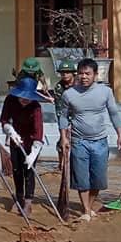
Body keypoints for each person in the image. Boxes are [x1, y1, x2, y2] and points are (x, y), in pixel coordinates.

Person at [58, 58, 121, 221]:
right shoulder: (69, 94)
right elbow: (63, 117)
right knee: (82, 179)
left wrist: (120, 135)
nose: (83, 77)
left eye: (87, 73)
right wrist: (63, 139)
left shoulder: (105, 92)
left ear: (95, 75)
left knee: (98, 179)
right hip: (79, 141)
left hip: (100, 141)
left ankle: (89, 206)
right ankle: (87, 211)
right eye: (81, 73)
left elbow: (114, 113)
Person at [0, 77, 46, 216]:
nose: (24, 100)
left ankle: (28, 202)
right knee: (16, 169)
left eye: (28, 98)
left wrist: (33, 154)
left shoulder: (36, 107)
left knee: (29, 171)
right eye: (22, 97)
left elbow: (38, 133)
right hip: (16, 137)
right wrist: (10, 131)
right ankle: (19, 197)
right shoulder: (10, 100)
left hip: (31, 141)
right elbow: (4, 119)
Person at [52, 59, 78, 217]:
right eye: (63, 73)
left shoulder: (78, 85)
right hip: (64, 118)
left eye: (67, 72)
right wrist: (64, 125)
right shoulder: (58, 87)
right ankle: (61, 164)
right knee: (62, 143)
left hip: (79, 118)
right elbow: (59, 107)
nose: (65, 75)